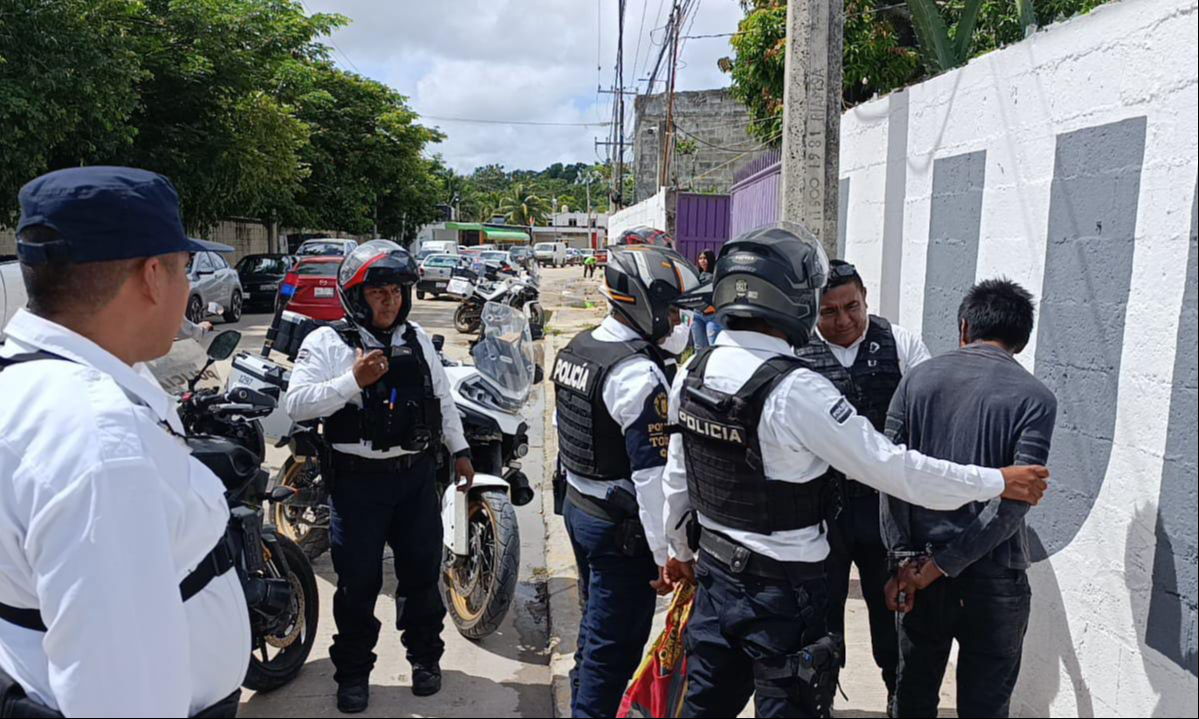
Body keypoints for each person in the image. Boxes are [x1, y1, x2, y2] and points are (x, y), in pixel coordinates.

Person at [660, 223, 1051, 719]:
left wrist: (675, 550)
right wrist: (997, 479)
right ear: (797, 301)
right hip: (779, 590)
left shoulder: (694, 370)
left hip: (717, 575)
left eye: (850, 306)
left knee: (706, 704)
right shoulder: (796, 388)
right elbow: (893, 466)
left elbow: (678, 473)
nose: (840, 317)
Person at [0, 167, 250, 717]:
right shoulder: (98, 440)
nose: (188, 290)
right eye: (186, 270)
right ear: (153, 275)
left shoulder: (31, 378)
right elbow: (120, 697)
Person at [285, 241, 475, 715]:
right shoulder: (326, 343)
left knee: (420, 579)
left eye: (395, 290)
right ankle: (352, 674)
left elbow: (443, 400)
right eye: (377, 292)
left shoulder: (415, 341)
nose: (389, 300)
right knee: (357, 584)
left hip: (413, 481)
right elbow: (298, 404)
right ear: (355, 296)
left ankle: (425, 661)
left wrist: (462, 452)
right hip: (356, 486)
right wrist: (353, 380)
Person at [882, 279, 1057, 719]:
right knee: (985, 705)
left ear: (964, 327)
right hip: (995, 578)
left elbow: (888, 474)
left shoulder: (917, 381)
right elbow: (1014, 503)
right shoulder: (1036, 398)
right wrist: (946, 565)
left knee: (914, 695)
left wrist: (908, 561)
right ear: (1021, 338)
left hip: (920, 569)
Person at [552, 245, 699, 718]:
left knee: (593, 630)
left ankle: (581, 700)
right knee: (613, 650)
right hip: (621, 529)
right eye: (671, 309)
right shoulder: (637, 374)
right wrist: (668, 557)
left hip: (580, 508)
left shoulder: (580, 348)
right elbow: (653, 477)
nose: (676, 320)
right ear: (642, 302)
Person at [795, 260, 931, 713]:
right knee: (820, 612)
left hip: (886, 510)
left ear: (866, 296)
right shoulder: (795, 354)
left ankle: (900, 696)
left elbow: (927, 424)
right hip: (821, 511)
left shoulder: (903, 344)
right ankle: (821, 699)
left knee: (894, 612)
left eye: (852, 306)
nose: (843, 320)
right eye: (828, 312)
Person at [690, 250, 717, 351]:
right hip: (697, 315)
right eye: (700, 258)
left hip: (711, 315)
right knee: (699, 347)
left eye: (705, 258)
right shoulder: (695, 275)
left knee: (713, 345)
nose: (702, 261)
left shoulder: (716, 275)